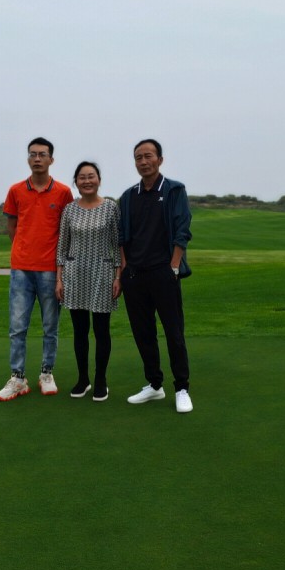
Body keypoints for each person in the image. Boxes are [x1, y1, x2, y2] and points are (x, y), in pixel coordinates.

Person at [0, 137, 74, 402]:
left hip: (50, 269)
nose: (37, 158)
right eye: (32, 154)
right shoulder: (15, 190)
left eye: (42, 154)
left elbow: (66, 230)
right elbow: (12, 227)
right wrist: (23, 250)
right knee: (18, 327)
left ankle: (46, 373)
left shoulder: (63, 192)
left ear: (51, 159)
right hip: (21, 269)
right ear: (28, 158)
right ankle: (18, 378)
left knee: (50, 326)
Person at [118, 139, 193, 413]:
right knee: (144, 333)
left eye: (148, 156)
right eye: (138, 157)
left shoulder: (174, 190)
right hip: (135, 276)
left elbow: (182, 229)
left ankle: (182, 388)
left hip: (164, 272)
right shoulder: (129, 196)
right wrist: (124, 268)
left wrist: (174, 266)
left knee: (174, 333)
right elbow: (122, 236)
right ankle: (154, 384)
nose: (143, 161)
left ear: (159, 159)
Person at [55, 162, 121, 402]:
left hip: (102, 273)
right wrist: (59, 278)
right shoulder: (70, 209)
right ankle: (83, 379)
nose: (87, 181)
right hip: (75, 274)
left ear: (99, 180)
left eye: (91, 176)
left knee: (101, 330)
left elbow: (117, 244)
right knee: (80, 331)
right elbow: (62, 245)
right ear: (76, 182)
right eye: (82, 177)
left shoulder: (111, 208)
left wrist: (118, 276)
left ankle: (101, 380)